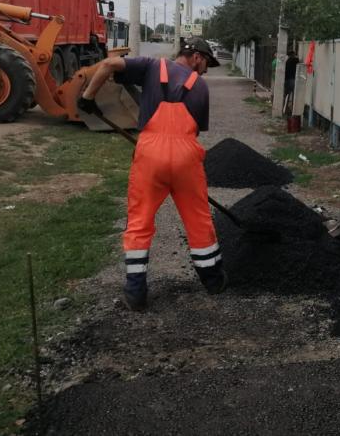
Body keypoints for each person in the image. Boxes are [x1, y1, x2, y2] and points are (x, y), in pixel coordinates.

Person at [77, 37, 227, 311]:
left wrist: (87, 98)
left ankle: (135, 292)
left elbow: (109, 64)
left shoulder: (150, 67)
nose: (204, 71)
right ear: (196, 57)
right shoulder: (200, 88)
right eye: (205, 64)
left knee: (140, 221)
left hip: (150, 155)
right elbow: (193, 131)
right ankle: (214, 280)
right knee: (198, 220)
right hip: (186, 157)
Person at [283, 50, 300, 114]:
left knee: (287, 95)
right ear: (293, 54)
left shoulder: (287, 61)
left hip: (287, 80)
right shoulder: (295, 60)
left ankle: (285, 108)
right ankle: (293, 109)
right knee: (294, 95)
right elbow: (298, 60)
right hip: (292, 79)